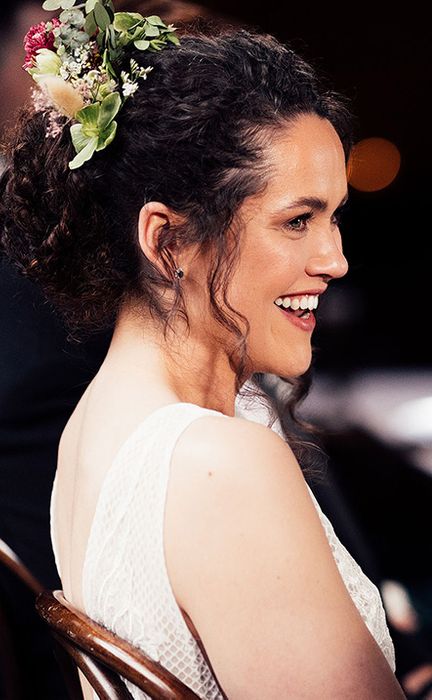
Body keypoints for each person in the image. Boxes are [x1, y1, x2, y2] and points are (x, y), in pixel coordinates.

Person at [1, 1, 405, 697]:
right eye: (298, 221)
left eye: (334, 217)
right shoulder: (221, 464)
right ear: (168, 241)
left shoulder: (95, 424)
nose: (335, 259)